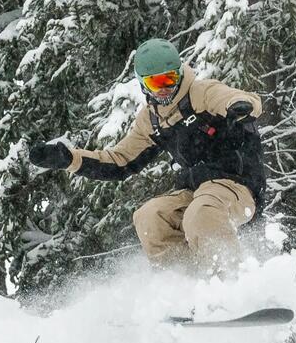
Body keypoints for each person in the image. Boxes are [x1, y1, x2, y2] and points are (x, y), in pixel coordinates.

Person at [28, 39, 265, 270]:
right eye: (155, 83)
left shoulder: (200, 92)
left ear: (180, 74)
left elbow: (234, 98)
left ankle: (233, 283)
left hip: (238, 185)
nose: (164, 90)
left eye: (169, 80)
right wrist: (70, 159)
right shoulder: (152, 120)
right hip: (197, 189)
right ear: (143, 85)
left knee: (201, 214)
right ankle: (186, 286)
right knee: (150, 217)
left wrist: (240, 106)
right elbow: (120, 161)